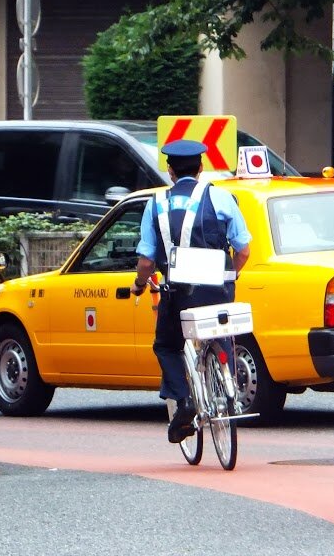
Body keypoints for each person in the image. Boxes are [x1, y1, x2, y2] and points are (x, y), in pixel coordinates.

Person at [131, 139, 251, 443]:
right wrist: (230, 274)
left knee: (166, 346)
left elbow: (146, 261)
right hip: (218, 289)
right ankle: (226, 378)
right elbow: (244, 249)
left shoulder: (155, 204)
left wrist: (139, 284)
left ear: (170, 171)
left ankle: (183, 402)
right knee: (220, 333)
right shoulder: (223, 199)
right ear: (201, 169)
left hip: (178, 291)